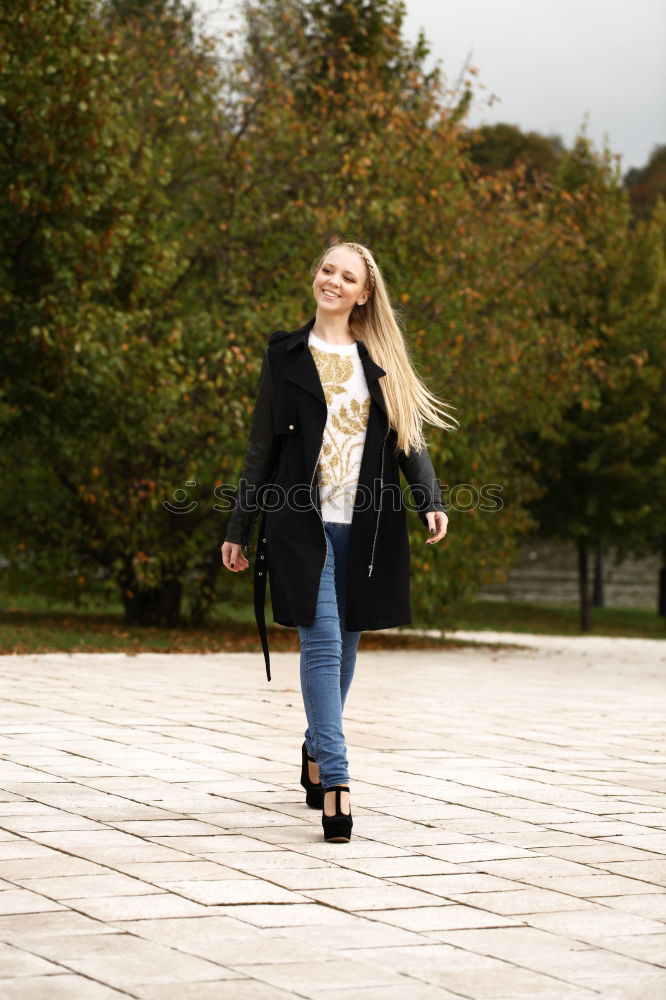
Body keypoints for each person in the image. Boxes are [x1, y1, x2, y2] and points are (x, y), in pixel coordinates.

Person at [221, 240, 456, 843]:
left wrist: (429, 497)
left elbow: (409, 436)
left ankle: (313, 747)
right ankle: (338, 783)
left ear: (363, 292)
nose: (333, 281)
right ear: (316, 277)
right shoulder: (285, 355)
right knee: (322, 644)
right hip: (300, 524)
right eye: (328, 269)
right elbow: (260, 449)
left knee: (346, 651)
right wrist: (239, 525)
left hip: (368, 525)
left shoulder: (378, 358)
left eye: (347, 276)